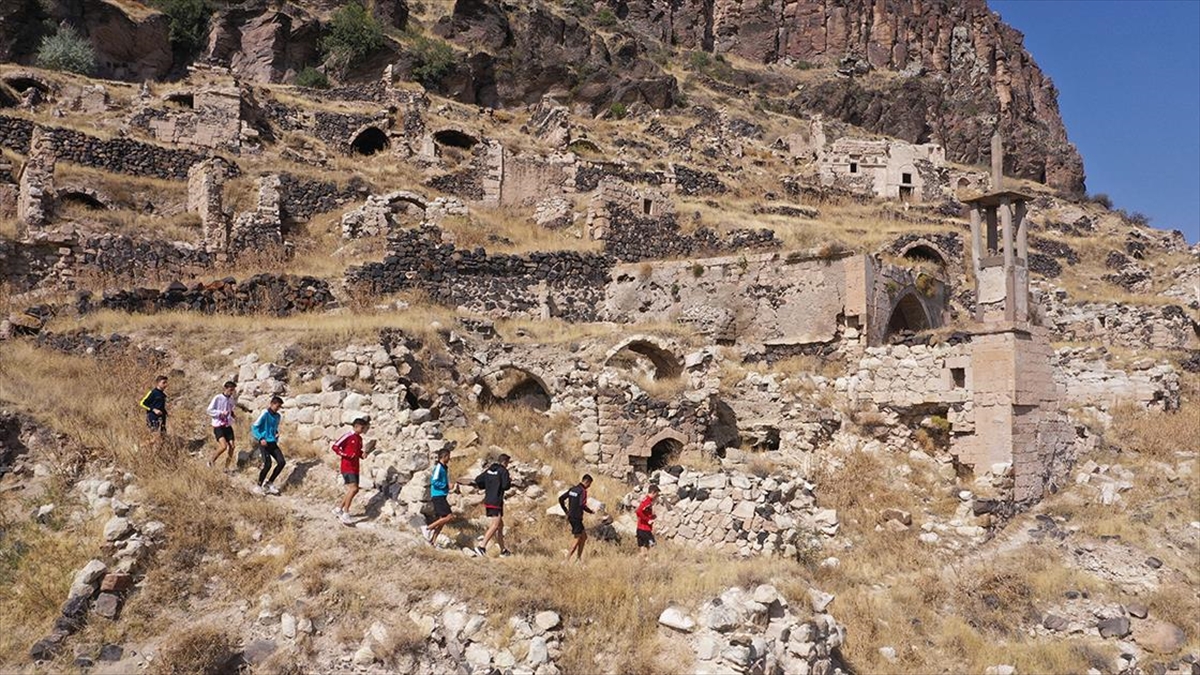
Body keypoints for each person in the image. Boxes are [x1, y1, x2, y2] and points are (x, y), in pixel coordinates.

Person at [331, 417, 371, 526]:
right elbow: (335, 447)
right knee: (353, 488)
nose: (363, 430)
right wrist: (346, 455)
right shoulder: (348, 436)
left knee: (354, 490)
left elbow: (357, 452)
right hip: (347, 466)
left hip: (355, 467)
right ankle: (346, 513)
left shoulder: (359, 439)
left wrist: (362, 454)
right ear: (356, 426)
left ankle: (338, 509)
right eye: (362, 428)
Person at [473, 453, 512, 557]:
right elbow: (506, 485)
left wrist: (489, 485)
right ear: (504, 462)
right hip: (496, 501)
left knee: (500, 525)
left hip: (489, 500)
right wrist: (509, 481)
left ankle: (503, 550)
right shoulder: (503, 471)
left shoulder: (489, 470)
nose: (507, 465)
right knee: (495, 525)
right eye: (507, 463)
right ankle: (482, 547)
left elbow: (478, 480)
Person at [421, 447, 457, 546]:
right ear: (444, 456)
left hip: (442, 495)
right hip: (438, 496)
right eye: (448, 456)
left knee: (442, 520)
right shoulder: (439, 468)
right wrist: (446, 485)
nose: (449, 458)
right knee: (449, 517)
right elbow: (434, 481)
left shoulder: (444, 468)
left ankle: (432, 541)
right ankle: (427, 528)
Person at [251, 396, 286, 495]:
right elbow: (254, 427)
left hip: (273, 443)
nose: (278, 408)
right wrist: (261, 438)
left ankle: (269, 484)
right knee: (268, 464)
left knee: (282, 462)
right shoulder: (265, 413)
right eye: (277, 406)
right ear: (271, 404)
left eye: (279, 407)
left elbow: (274, 428)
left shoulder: (278, 416)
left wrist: (276, 433)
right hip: (264, 443)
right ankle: (258, 486)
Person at [559, 474, 595, 563]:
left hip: (571, 517)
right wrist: (590, 511)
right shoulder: (583, 491)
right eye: (589, 484)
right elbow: (582, 504)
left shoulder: (573, 489)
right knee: (577, 539)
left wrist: (566, 511)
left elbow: (561, 499)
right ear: (587, 482)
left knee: (584, 537)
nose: (589, 486)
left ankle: (578, 559)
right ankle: (566, 560)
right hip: (577, 518)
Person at [206, 381, 238, 471]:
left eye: (233, 390)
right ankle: (211, 461)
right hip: (218, 425)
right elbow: (209, 410)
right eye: (230, 389)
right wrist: (220, 413)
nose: (232, 392)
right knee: (223, 446)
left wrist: (232, 414)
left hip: (227, 425)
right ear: (225, 388)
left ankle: (226, 467)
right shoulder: (217, 398)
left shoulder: (231, 399)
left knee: (232, 446)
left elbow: (230, 409)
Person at [635, 484, 660, 559]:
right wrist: (648, 520)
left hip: (640, 529)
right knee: (653, 546)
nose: (657, 496)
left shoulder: (646, 500)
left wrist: (652, 517)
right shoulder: (648, 502)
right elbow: (638, 511)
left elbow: (643, 512)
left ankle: (637, 563)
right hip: (645, 530)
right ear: (653, 492)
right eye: (656, 494)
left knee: (643, 551)